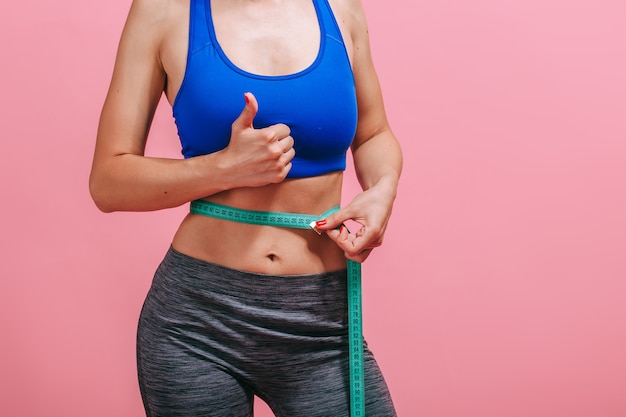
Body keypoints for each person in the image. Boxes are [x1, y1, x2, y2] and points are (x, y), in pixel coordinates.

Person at [89, 0, 402, 415]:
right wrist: (223, 168)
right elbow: (108, 182)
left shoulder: (340, 8)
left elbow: (374, 133)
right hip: (197, 324)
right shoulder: (163, 11)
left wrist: (382, 189)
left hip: (321, 321)